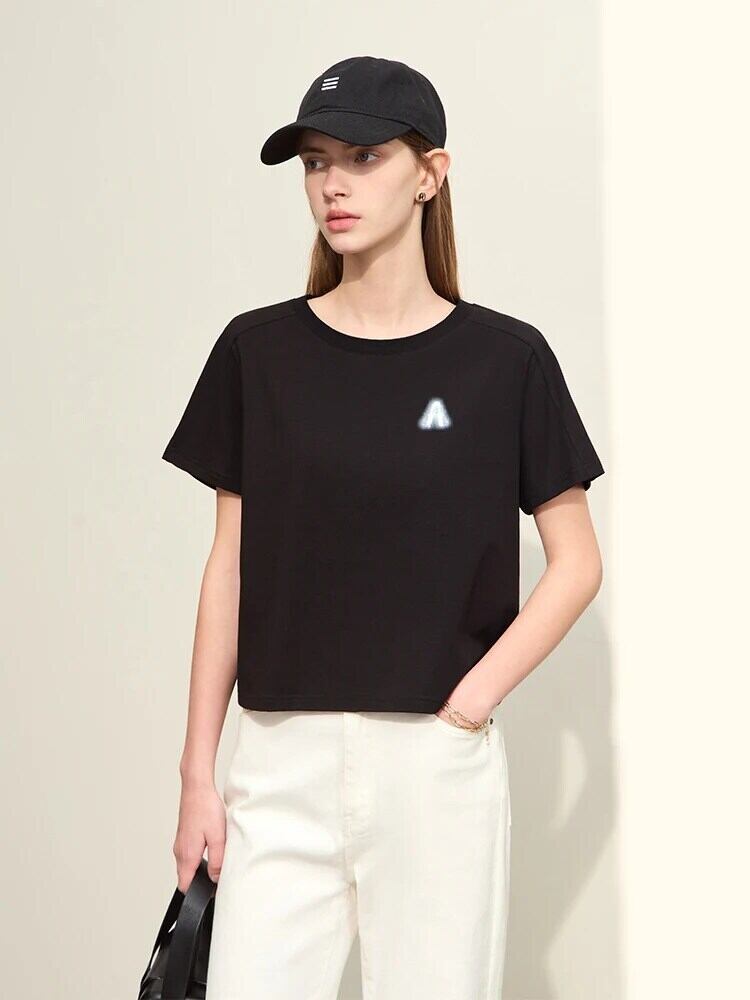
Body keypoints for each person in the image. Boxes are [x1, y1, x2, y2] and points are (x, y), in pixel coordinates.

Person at [161, 55, 605, 1000]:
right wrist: (199, 773)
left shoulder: (505, 360)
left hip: (434, 768)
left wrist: (468, 705)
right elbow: (229, 566)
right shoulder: (257, 352)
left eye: (363, 157)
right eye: (316, 162)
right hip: (278, 761)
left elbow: (576, 563)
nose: (333, 185)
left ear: (430, 174)